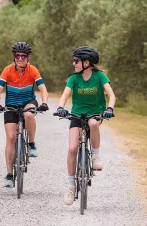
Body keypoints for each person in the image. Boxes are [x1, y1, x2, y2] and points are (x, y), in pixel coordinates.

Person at [55, 46, 116, 205]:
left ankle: (95, 156)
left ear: (87, 62)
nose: (73, 63)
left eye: (76, 60)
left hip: (95, 113)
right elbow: (65, 94)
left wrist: (109, 108)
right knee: (72, 148)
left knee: (93, 123)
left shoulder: (99, 76)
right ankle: (70, 185)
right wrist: (61, 107)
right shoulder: (74, 78)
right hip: (77, 114)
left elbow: (111, 95)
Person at [0, 42, 49, 188]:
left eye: (23, 56)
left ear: (28, 57)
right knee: (11, 137)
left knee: (29, 115)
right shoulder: (7, 70)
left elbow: (42, 88)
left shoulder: (33, 70)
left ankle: (31, 144)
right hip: (11, 105)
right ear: (14, 56)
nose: (20, 58)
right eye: (17, 56)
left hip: (28, 102)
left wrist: (44, 103)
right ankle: (9, 174)